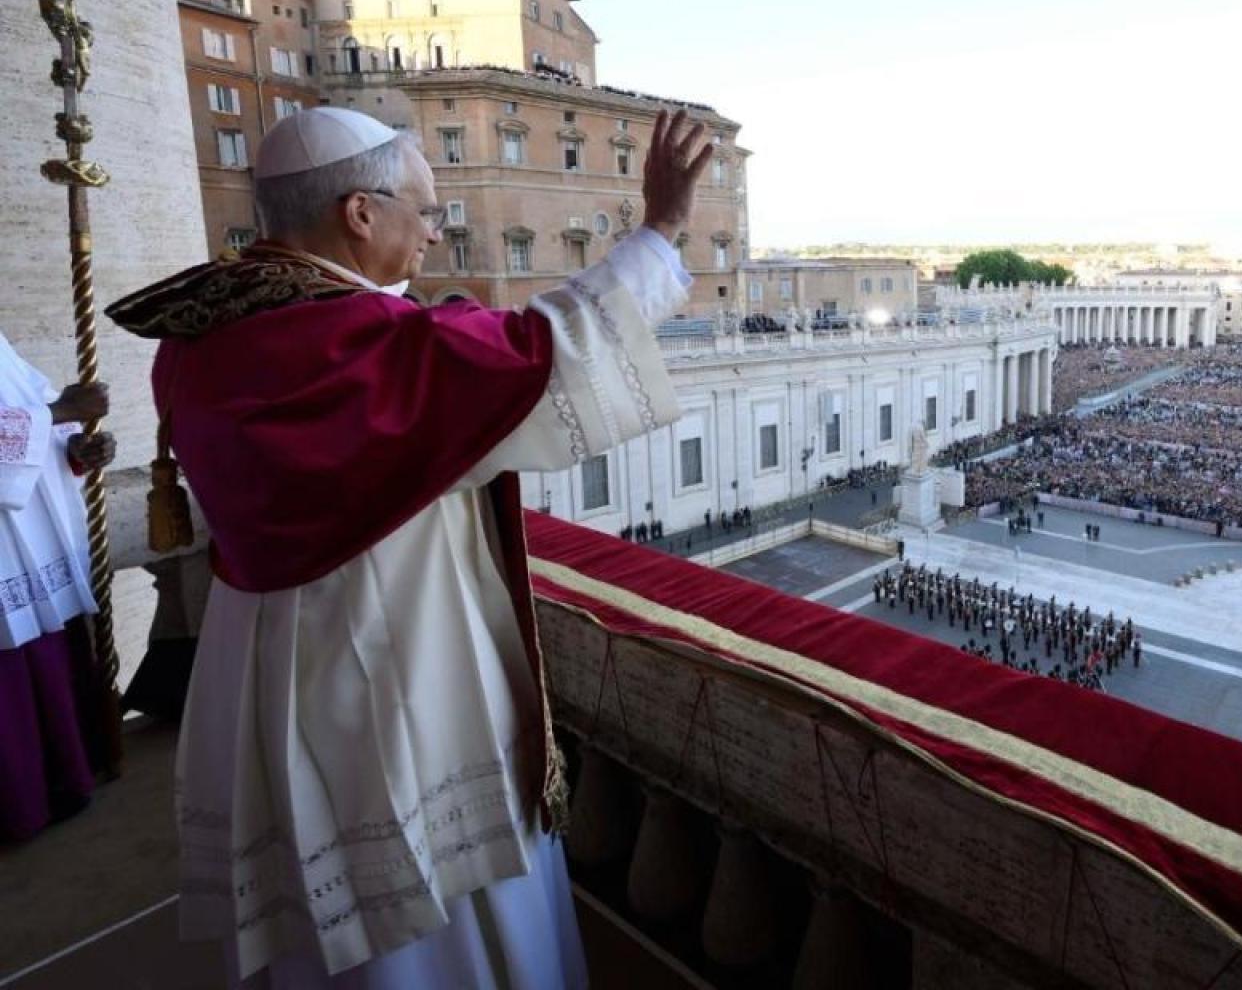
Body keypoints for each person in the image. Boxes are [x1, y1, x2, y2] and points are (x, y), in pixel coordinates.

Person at [106, 107, 712, 988]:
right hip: (386, 658)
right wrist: (659, 225)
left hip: (271, 653)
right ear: (359, 212)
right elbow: (541, 348)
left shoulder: (213, 327)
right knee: (427, 887)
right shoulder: (345, 342)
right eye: (426, 212)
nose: (436, 232)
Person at [0, 334, 115, 842]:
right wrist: (64, 408)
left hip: (25, 538)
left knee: (48, 651)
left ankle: (66, 779)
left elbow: (30, 410)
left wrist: (73, 446)